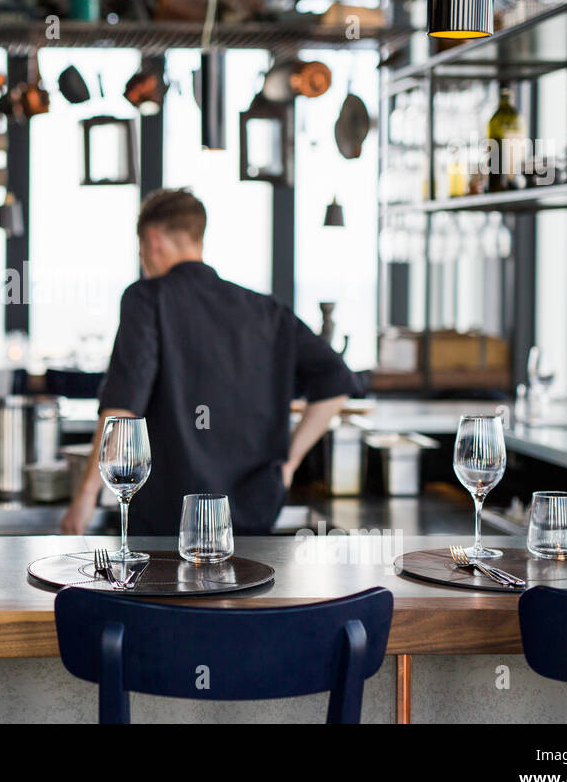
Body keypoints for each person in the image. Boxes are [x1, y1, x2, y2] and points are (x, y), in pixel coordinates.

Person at [61, 188, 355, 537]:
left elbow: (122, 410)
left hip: (167, 521)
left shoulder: (147, 299)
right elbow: (337, 380)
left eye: (141, 249)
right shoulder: (265, 311)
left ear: (153, 240)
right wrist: (289, 461)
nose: (143, 259)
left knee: (161, 594)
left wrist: (86, 496)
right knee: (244, 592)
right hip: (252, 513)